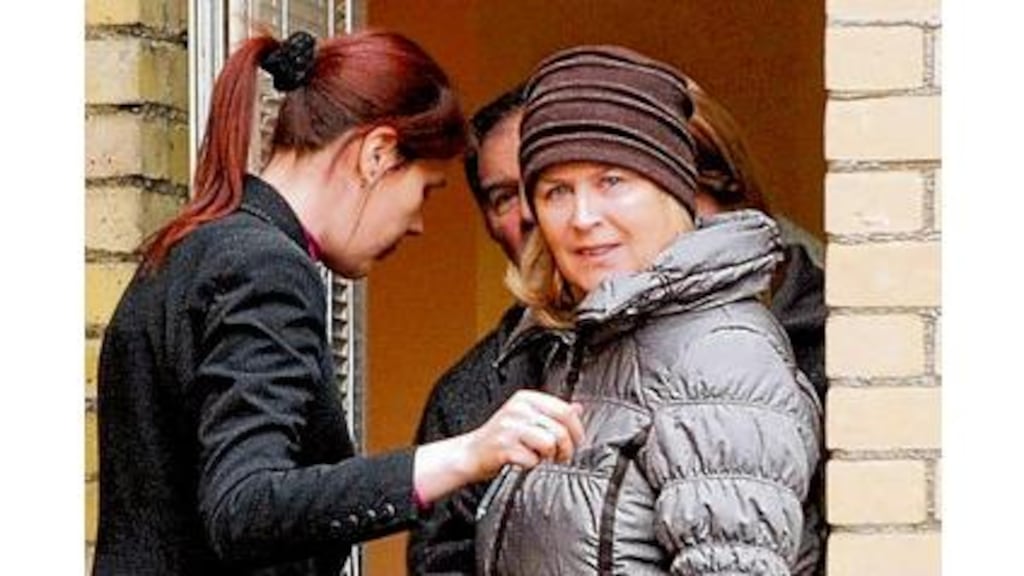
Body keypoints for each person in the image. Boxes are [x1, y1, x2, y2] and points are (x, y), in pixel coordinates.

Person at [92, 29, 585, 576]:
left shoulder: (189, 248)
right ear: (377, 153)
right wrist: (466, 455)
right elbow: (244, 507)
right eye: (424, 189)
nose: (418, 224)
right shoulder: (264, 267)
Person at [473, 45, 823, 575]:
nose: (583, 216)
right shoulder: (592, 342)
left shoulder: (719, 355)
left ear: (674, 189)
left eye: (612, 181)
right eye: (556, 191)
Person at [406, 85, 562, 575]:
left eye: (546, 182)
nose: (529, 214)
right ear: (490, 224)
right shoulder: (465, 398)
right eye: (502, 198)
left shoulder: (711, 340)